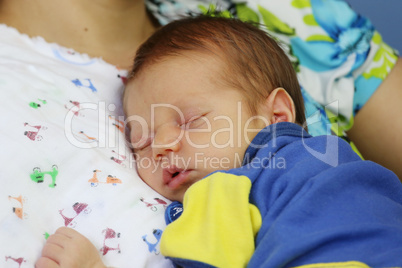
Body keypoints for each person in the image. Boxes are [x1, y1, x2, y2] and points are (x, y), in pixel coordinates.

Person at [1, 0, 401, 267]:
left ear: (277, 115)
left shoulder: (239, 185)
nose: (161, 147)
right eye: (139, 141)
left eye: (191, 121)